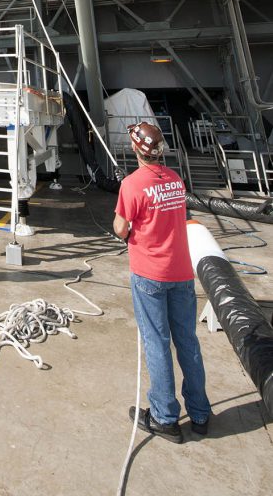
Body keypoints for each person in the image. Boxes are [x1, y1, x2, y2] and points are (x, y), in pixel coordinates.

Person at [113, 121, 210, 443]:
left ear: (134, 149)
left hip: (150, 274)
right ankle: (199, 413)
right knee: (187, 343)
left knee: (156, 343)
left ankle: (165, 417)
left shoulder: (132, 184)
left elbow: (121, 229)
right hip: (182, 273)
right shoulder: (175, 180)